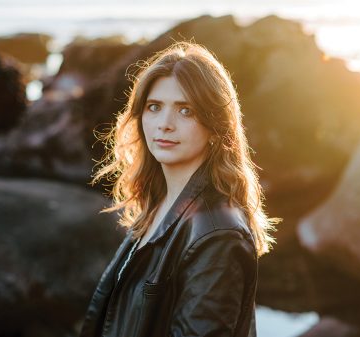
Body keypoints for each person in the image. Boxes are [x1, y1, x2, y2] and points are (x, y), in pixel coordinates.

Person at [80, 41, 280, 337]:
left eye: (185, 110)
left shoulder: (217, 235)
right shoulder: (159, 203)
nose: (164, 124)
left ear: (215, 125)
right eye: (154, 107)